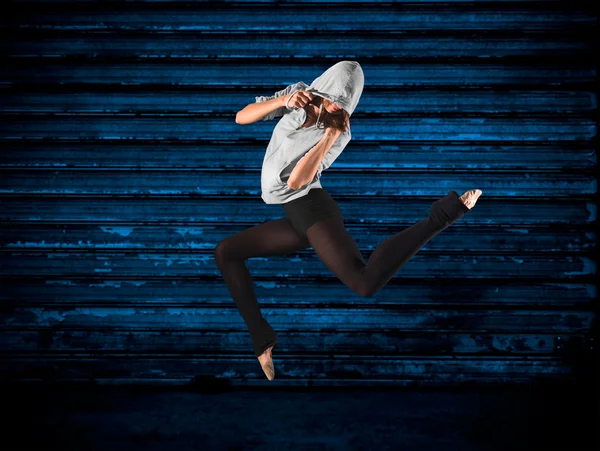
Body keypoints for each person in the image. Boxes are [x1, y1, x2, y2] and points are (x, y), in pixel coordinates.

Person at [215, 61, 482, 380]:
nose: (332, 106)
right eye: (329, 99)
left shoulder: (340, 131)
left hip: (312, 209)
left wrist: (328, 135)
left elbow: (297, 183)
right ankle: (263, 341)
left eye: (340, 105)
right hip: (295, 216)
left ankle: (445, 213)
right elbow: (241, 116)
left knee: (365, 282)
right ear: (321, 89)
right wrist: (284, 101)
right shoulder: (297, 95)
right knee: (226, 252)